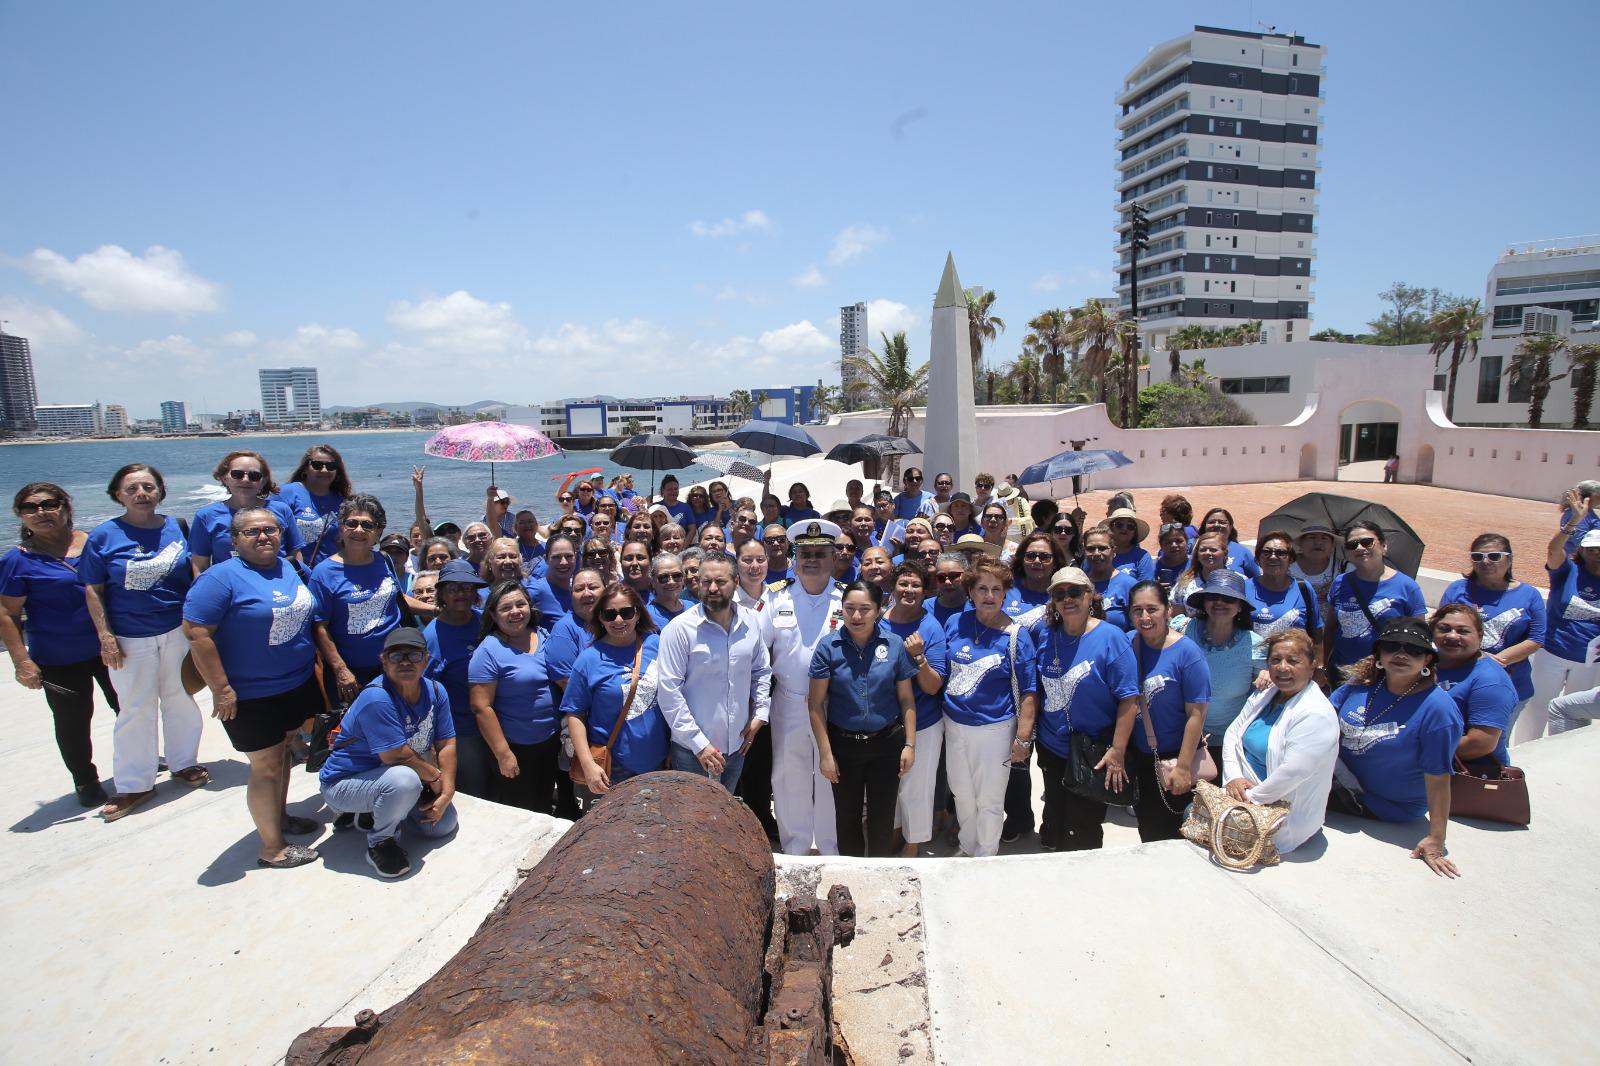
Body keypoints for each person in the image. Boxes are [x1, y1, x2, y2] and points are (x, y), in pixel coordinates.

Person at [182, 507, 322, 869]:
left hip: (295, 682)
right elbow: (197, 634)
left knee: (283, 755)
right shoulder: (219, 578)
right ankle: (272, 848)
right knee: (266, 766)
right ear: (234, 540)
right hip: (249, 693)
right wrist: (221, 688)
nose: (263, 536)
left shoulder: (290, 567)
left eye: (270, 529)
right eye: (251, 531)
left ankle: (280, 818)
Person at [80, 464, 206, 820]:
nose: (141, 493)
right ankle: (135, 783)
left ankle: (184, 763)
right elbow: (93, 589)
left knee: (181, 698)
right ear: (118, 494)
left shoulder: (177, 527)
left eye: (148, 486)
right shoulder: (104, 536)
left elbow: (195, 572)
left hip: (177, 631)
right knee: (135, 708)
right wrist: (105, 637)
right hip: (128, 637)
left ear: (160, 491)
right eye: (131, 488)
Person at [0, 483, 120, 806]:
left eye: (49, 504)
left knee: (131, 708)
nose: (41, 512)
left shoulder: (95, 543)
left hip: (112, 647)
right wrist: (22, 661)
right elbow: (7, 614)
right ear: (21, 516)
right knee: (73, 722)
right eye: (30, 507)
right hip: (58, 656)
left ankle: (140, 757)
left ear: (66, 507)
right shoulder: (18, 561)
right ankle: (86, 780)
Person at [318, 628, 458, 878]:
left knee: (441, 826)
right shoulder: (377, 698)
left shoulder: (437, 691)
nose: (405, 661)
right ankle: (380, 842)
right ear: (383, 661)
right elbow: (396, 756)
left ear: (426, 660)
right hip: (343, 783)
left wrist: (447, 792)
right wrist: (436, 778)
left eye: (413, 655)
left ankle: (373, 810)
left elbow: (446, 744)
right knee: (404, 780)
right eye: (395, 655)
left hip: (386, 777)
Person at [1329, 617, 1463, 877]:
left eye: (1413, 650)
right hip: (1340, 778)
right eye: (1392, 647)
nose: (1401, 654)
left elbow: (1438, 778)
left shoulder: (1438, 710)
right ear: (1379, 654)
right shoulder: (1360, 685)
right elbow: (1318, 718)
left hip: (1380, 803)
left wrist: (1436, 839)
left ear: (1427, 660)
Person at [1031, 566, 1139, 852]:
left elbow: (1129, 699)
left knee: (1084, 825)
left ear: (1090, 595)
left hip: (1093, 750)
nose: (1068, 599)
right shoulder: (1046, 634)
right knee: (1054, 808)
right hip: (1052, 745)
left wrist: (1117, 751)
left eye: (1075, 592)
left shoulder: (1111, 638)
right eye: (1060, 594)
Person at [808, 582, 918, 857]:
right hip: (844, 746)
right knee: (847, 820)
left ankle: (880, 873)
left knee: (882, 818)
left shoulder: (893, 645)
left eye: (865, 609)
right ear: (842, 610)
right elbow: (816, 704)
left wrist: (910, 745)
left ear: (878, 611)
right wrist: (825, 754)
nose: (856, 616)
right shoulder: (828, 647)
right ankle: (851, 880)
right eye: (850, 609)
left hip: (886, 744)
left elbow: (906, 699)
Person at [758, 520, 847, 853]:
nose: (812, 559)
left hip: (832, 703)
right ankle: (795, 845)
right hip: (789, 700)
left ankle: (830, 846)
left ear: (833, 556)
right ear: (794, 556)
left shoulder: (846, 597)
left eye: (820, 553)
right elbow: (759, 651)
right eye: (805, 553)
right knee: (788, 774)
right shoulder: (775, 597)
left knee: (830, 774)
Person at [941, 557, 1039, 857]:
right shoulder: (956, 622)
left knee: (990, 800)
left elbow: (1029, 692)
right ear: (970, 591)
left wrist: (1022, 738)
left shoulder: (1015, 635)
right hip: (954, 725)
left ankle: (985, 856)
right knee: (961, 793)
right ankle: (967, 846)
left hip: (994, 729)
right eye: (982, 588)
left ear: (1005, 593)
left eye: (997, 589)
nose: (989, 596)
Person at [1220, 628, 1340, 855]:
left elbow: (1294, 772)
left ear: (1312, 665)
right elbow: (1232, 734)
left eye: (1293, 660)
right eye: (1276, 660)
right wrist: (1234, 778)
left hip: (1281, 816)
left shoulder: (1315, 713)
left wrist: (1246, 801)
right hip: (1242, 794)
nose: (1283, 667)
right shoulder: (1265, 694)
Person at [657, 554, 771, 791]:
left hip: (737, 748)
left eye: (720, 581)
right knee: (691, 823)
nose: (712, 588)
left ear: (736, 582)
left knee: (724, 819)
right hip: (693, 752)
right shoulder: (679, 630)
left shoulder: (751, 622)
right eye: (705, 581)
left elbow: (761, 671)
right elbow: (669, 693)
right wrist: (700, 745)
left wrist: (760, 713)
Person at [562, 583, 670, 794]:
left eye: (626, 612)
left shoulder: (656, 644)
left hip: (657, 760)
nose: (619, 620)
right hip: (613, 767)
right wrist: (588, 764)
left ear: (638, 614)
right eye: (610, 614)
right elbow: (575, 714)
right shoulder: (588, 660)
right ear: (600, 618)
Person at [1126, 580, 1211, 842]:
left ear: (1168, 611)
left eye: (1152, 609)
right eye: (1137, 610)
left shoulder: (1188, 654)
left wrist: (1184, 767)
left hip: (1174, 759)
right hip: (1140, 757)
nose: (1145, 617)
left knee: (1173, 833)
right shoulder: (1128, 644)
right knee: (1148, 830)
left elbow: (1197, 714)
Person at [1440, 533, 1544, 740]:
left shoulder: (1529, 595)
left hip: (1509, 684)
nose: (1485, 561)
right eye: (1477, 557)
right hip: (1455, 685)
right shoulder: (1457, 589)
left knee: (1491, 749)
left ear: (1510, 559)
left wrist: (1493, 662)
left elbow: (1536, 638)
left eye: (1494, 556)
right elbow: (1440, 627)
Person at [309, 495, 409, 707]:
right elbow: (320, 627)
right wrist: (340, 669)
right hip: (351, 673)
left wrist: (436, 609)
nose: (359, 530)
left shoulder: (384, 560)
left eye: (367, 525)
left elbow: (398, 599)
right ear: (341, 527)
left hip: (392, 664)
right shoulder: (324, 572)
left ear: (378, 532)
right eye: (352, 523)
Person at [469, 581, 560, 813]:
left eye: (521, 604)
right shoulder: (488, 651)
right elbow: (481, 707)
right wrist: (503, 754)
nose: (516, 612)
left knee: (544, 804)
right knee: (522, 810)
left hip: (550, 741)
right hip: (516, 748)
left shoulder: (544, 635)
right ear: (492, 614)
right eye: (506, 608)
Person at [1171, 570, 1265, 777]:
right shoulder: (1181, 629)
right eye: (1213, 597)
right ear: (1204, 602)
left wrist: (1268, 675)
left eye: (1228, 598)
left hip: (1228, 742)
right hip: (1179, 735)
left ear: (1240, 606)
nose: (1219, 602)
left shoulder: (1255, 645)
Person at [882, 563, 947, 857]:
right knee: (891, 786)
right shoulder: (879, 619)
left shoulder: (931, 628)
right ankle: (895, 833)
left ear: (925, 590)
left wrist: (919, 657)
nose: (909, 590)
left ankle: (914, 842)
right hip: (885, 722)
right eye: (904, 584)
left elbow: (933, 686)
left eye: (916, 585)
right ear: (893, 586)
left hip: (923, 722)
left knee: (917, 788)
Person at [1326, 521, 1428, 683]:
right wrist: (1325, 665)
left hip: (1384, 676)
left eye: (1367, 542)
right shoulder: (1340, 582)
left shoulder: (1407, 587)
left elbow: (1420, 636)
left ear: (1384, 546)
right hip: (1342, 673)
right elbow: (1330, 628)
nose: (1359, 548)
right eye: (1352, 545)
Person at [424, 560, 489, 798]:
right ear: (441, 594)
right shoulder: (432, 637)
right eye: (453, 588)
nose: (461, 594)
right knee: (475, 788)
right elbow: (424, 692)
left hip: (494, 719)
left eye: (468, 588)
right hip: (462, 729)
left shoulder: (485, 621)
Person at [1431, 604, 1516, 773]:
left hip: (1464, 776)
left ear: (1480, 635)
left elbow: (1479, 744)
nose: (1452, 636)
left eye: (1463, 631)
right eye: (1444, 628)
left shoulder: (1491, 681)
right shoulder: (1424, 661)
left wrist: (1412, 751)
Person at [188, 451, 305, 572]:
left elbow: (295, 554)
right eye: (237, 474)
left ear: (263, 481)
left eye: (254, 476)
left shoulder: (281, 510)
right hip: (231, 587)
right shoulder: (207, 516)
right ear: (225, 478)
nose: (245, 480)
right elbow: (200, 566)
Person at [1248, 531, 1325, 658]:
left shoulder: (1303, 588)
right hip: (1251, 668)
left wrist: (1319, 667)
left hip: (1293, 667)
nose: (1273, 557)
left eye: (1281, 553)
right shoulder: (1243, 587)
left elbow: (1317, 632)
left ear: (1291, 559)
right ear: (1258, 558)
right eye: (1266, 552)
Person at [280, 444, 351, 568]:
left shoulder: (343, 501)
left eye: (330, 466)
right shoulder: (287, 494)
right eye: (317, 465)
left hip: (330, 573)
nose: (324, 470)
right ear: (305, 468)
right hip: (295, 573)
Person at [545, 568, 605, 695]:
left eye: (593, 587)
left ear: (606, 590)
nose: (586, 594)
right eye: (579, 589)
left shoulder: (615, 622)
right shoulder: (563, 629)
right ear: (571, 594)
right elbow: (568, 685)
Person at [1005, 531, 1063, 627]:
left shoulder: (1064, 595)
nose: (1036, 561)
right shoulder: (1005, 586)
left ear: (1055, 563)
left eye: (1045, 557)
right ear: (1021, 560)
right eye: (1030, 556)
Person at [1081, 527, 1134, 631]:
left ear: (1114, 551)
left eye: (1102, 548)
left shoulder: (1129, 585)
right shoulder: (1078, 583)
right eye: (1091, 549)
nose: (1096, 553)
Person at [1196, 507, 1261, 579]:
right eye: (1211, 522)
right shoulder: (1194, 547)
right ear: (1204, 526)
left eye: (1222, 522)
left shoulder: (1243, 552)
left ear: (1230, 527)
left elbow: (1256, 580)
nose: (1216, 525)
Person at [1291, 522, 1345, 606]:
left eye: (1324, 538)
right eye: (1311, 537)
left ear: (1332, 544)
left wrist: (1339, 590)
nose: (1318, 542)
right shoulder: (1285, 566)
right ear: (1301, 543)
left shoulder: (1344, 568)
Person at [1106, 508, 1155, 582]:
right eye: (1119, 525)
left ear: (1135, 532)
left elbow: (1145, 587)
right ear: (1111, 528)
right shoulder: (1099, 552)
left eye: (1130, 526)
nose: (1124, 529)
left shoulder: (1142, 556)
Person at [928, 551, 971, 629]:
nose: (947, 582)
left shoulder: (977, 609)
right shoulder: (924, 608)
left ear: (966, 576)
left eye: (954, 576)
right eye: (941, 577)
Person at [1153, 522, 1190, 590]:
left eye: (1179, 541)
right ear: (1161, 546)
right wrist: (1155, 589)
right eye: (1168, 542)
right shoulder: (1153, 567)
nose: (1174, 545)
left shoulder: (1196, 564)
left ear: (1187, 542)